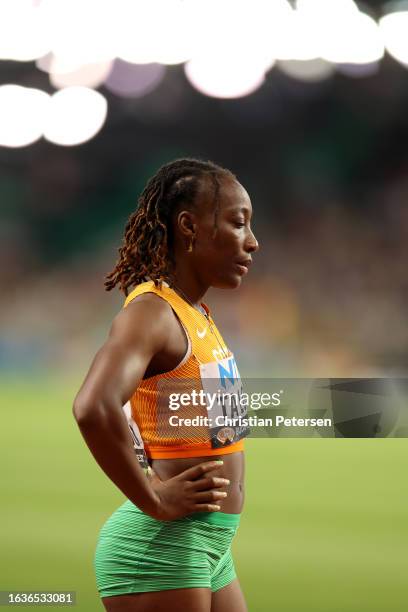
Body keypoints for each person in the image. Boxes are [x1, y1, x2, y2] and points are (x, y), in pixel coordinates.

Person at [73, 158, 259, 612]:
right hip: (162, 549)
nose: (252, 242)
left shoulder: (196, 314)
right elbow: (93, 407)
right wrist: (152, 494)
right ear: (189, 226)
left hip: (208, 546)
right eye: (238, 224)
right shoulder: (153, 312)